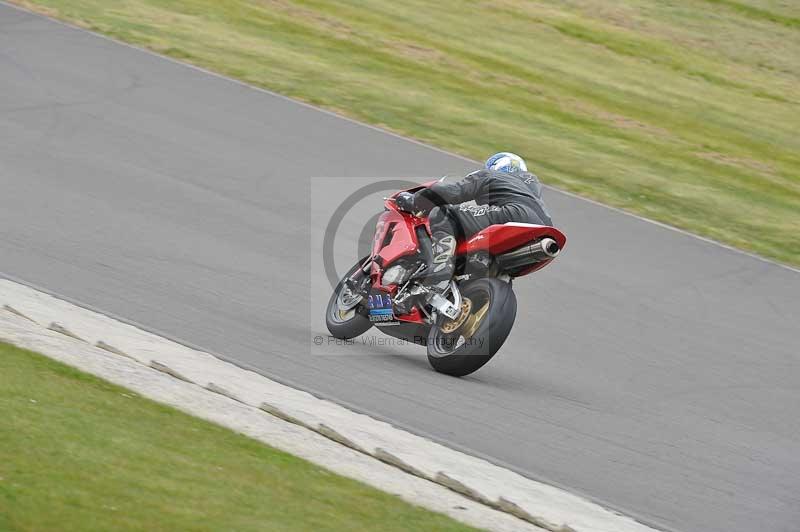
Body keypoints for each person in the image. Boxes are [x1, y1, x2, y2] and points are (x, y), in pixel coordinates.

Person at [395, 152, 552, 287]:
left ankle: (441, 264)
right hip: (545, 230)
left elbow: (452, 192)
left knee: (444, 214)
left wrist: (416, 200)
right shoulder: (531, 188)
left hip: (513, 214)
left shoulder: (490, 175)